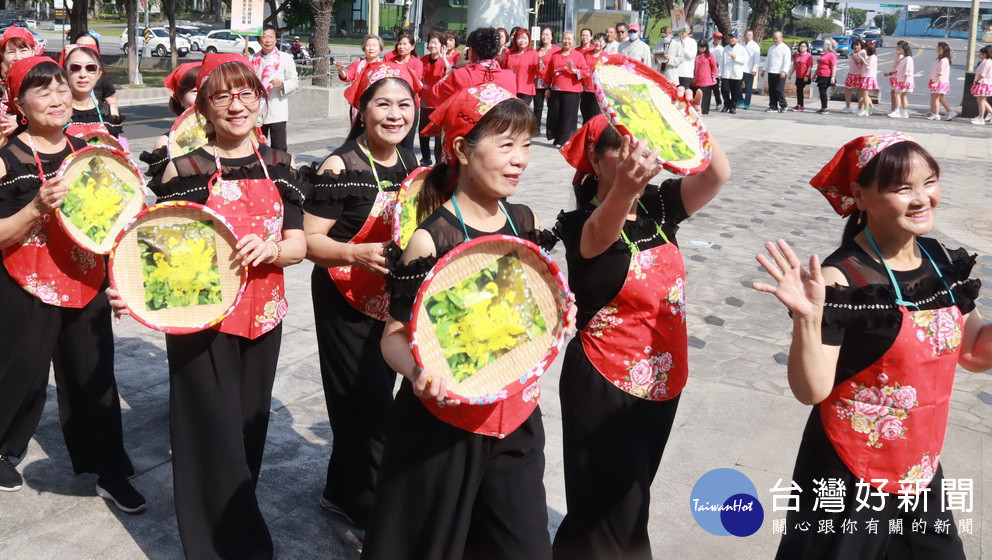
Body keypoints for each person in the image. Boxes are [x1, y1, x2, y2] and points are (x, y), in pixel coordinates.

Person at [754, 134, 991, 559]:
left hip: (919, 468)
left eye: (929, 182)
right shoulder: (840, 278)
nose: (921, 199)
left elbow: (973, 351)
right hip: (849, 473)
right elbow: (811, 390)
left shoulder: (940, 260)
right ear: (860, 196)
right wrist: (807, 320)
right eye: (902, 188)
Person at [363, 85, 553, 559]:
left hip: (516, 418)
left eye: (526, 145)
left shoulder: (523, 220)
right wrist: (417, 372)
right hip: (442, 428)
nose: (520, 159)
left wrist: (551, 319)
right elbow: (393, 337)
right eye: (505, 145)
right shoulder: (431, 240)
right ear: (463, 150)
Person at [552, 100, 730, 560]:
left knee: (617, 499)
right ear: (595, 161)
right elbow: (601, 234)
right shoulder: (580, 223)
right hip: (604, 380)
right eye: (622, 146)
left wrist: (687, 121)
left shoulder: (659, 206)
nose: (636, 153)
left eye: (643, 143)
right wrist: (625, 189)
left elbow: (717, 175)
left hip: (663, 380)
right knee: (620, 512)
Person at [147, 53, 306, 559]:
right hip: (202, 320)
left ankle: (234, 518)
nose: (236, 106)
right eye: (222, 96)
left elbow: (299, 244)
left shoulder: (280, 164)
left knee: (247, 428)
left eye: (245, 94)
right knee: (207, 431)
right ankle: (217, 544)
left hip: (264, 316)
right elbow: (156, 247)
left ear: (261, 100)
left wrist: (272, 248)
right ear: (203, 109)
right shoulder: (183, 170)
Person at [0, 56, 141, 511]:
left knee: (93, 377)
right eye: (42, 91)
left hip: (85, 278)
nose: (57, 98)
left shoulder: (88, 154)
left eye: (62, 88)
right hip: (27, 281)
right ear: (20, 104)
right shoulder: (6, 160)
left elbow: (114, 223)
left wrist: (121, 280)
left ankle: (108, 469)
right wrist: (35, 209)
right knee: (20, 373)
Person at [303, 64, 419, 529]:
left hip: (390, 300)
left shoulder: (410, 162)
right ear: (362, 110)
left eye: (404, 105)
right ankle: (371, 509)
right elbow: (310, 241)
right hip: (344, 297)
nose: (395, 115)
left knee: (372, 399)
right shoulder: (339, 166)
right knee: (365, 404)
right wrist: (354, 252)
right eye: (383, 104)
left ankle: (341, 491)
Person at [0, 27, 44, 140]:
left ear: (33, 51)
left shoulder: (44, 85)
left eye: (23, 50)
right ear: (2, 55)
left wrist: (21, 122)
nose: (18, 57)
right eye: (11, 52)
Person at [426, 27, 515, 105]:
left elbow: (433, 95)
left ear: (471, 50)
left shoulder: (460, 75)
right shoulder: (510, 77)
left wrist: (455, 67)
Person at [63, 44, 126, 150]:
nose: (83, 74)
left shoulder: (109, 113)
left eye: (91, 68)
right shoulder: (57, 112)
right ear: (65, 72)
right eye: (75, 67)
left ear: (99, 74)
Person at [251, 26, 299, 151]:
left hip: (277, 109)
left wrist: (282, 84)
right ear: (259, 40)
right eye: (264, 37)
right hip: (257, 110)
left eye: (271, 37)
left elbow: (294, 81)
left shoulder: (285, 58)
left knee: (279, 148)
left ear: (275, 39)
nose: (268, 40)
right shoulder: (253, 59)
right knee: (258, 147)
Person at [545, 31, 588, 145]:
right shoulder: (555, 55)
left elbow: (585, 72)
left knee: (568, 117)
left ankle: (565, 140)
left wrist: (574, 71)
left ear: (573, 41)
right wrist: (547, 88)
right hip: (556, 89)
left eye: (569, 39)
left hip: (572, 91)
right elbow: (549, 72)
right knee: (555, 114)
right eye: (565, 38)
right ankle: (557, 137)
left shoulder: (578, 56)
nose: (567, 41)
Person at [417, 31, 451, 165]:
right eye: (430, 42)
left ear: (442, 45)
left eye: (435, 43)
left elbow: (451, 72)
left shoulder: (446, 61)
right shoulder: (423, 60)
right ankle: (426, 158)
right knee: (423, 131)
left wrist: (444, 58)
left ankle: (438, 161)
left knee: (438, 136)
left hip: (440, 104)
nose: (432, 45)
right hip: (425, 102)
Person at [72, 33, 119, 108]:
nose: (82, 75)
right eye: (80, 47)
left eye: (90, 48)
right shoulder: (61, 78)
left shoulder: (103, 80)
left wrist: (113, 112)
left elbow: (112, 103)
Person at [503, 27, 539, 110]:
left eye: (524, 38)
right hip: (511, 89)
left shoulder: (533, 54)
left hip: (525, 90)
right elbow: (505, 71)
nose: (522, 41)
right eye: (519, 38)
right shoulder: (509, 54)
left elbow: (538, 72)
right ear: (515, 40)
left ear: (529, 39)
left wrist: (540, 63)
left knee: (521, 113)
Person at [534, 27, 559, 139]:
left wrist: (549, 86)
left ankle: (552, 131)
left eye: (547, 34)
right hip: (538, 82)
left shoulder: (556, 50)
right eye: (543, 34)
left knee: (552, 108)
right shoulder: (537, 51)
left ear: (552, 37)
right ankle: (536, 129)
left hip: (551, 82)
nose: (545, 37)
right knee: (538, 107)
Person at [884, 40, 914, 119]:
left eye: (901, 48)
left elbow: (907, 71)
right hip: (900, 79)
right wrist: (889, 74)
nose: (899, 50)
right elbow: (897, 69)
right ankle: (905, 112)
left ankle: (897, 111)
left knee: (897, 95)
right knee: (903, 96)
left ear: (905, 49)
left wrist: (905, 81)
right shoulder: (903, 58)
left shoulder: (908, 58)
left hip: (904, 80)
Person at [577, 28, 602, 123]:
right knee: (583, 110)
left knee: (593, 113)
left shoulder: (594, 50)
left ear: (591, 37)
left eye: (587, 35)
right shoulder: (576, 50)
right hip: (579, 85)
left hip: (592, 86)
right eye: (583, 35)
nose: (584, 37)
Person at [928, 42, 956, 121]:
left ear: (944, 50)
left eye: (940, 49)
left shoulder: (943, 60)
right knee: (939, 98)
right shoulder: (940, 59)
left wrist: (937, 82)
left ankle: (936, 114)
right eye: (938, 48)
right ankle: (949, 112)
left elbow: (941, 72)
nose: (938, 50)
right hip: (936, 80)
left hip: (940, 81)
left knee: (936, 98)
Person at [720, 33, 747, 114]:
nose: (731, 39)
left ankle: (733, 106)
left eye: (733, 38)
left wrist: (736, 58)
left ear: (737, 39)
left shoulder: (741, 49)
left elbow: (745, 60)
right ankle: (726, 104)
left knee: (735, 92)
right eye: (730, 38)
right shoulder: (726, 48)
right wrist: (720, 72)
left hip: (736, 73)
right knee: (724, 89)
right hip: (726, 73)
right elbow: (722, 61)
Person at [765, 30, 792, 112]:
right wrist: (764, 69)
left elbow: (787, 61)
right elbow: (768, 59)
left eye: (777, 38)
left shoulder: (785, 48)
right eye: (774, 38)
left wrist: (784, 71)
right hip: (772, 71)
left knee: (779, 89)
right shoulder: (771, 48)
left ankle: (784, 105)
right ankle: (773, 106)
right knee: (772, 90)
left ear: (781, 38)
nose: (775, 40)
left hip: (780, 72)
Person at [692, 41, 718, 115]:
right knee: (695, 95)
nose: (702, 49)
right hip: (695, 78)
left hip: (705, 79)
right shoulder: (695, 55)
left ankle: (703, 111)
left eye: (704, 47)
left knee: (704, 96)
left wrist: (714, 76)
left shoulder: (710, 55)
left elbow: (714, 66)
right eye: (700, 47)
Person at [841, 37, 865, 114]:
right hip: (852, 74)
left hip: (859, 74)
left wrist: (854, 56)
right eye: (854, 45)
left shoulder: (862, 52)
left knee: (860, 91)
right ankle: (848, 106)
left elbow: (860, 64)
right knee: (847, 89)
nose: (856, 47)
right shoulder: (854, 53)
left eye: (857, 45)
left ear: (861, 45)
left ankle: (859, 108)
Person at [815, 39, 838, 114]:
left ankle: (825, 107)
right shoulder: (824, 54)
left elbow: (834, 66)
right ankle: (823, 107)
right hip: (821, 75)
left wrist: (833, 77)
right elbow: (819, 66)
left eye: (824, 45)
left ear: (828, 46)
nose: (822, 46)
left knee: (823, 90)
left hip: (827, 75)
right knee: (821, 91)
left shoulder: (831, 55)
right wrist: (814, 74)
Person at [971, 44, 992, 125]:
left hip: (984, 83)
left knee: (981, 101)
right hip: (984, 83)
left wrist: (976, 81)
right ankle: (981, 116)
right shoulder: (985, 61)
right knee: (980, 100)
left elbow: (982, 74)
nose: (979, 55)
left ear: (984, 54)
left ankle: (981, 118)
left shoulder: (987, 62)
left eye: (980, 53)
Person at [742, 28, 762, 110]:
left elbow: (756, 59)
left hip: (749, 70)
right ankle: (740, 99)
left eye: (749, 35)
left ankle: (747, 103)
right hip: (740, 69)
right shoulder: (741, 44)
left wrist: (754, 69)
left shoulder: (755, 45)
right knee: (736, 86)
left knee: (748, 88)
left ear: (753, 36)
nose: (747, 36)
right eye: (746, 34)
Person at [792, 41, 814, 111]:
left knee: (800, 89)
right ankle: (800, 105)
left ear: (807, 48)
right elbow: (794, 65)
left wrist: (807, 75)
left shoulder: (809, 56)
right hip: (798, 76)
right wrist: (790, 73)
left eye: (804, 46)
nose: (802, 48)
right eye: (801, 46)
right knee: (799, 90)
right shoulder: (797, 55)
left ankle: (800, 104)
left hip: (805, 76)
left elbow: (810, 66)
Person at [675, 25, 696, 91]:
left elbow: (692, 56)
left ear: (689, 31)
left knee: (683, 92)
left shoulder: (692, 42)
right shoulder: (674, 40)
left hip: (686, 73)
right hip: (675, 72)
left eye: (685, 29)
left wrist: (683, 48)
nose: (683, 31)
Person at [709, 32, 726, 110]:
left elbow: (722, 62)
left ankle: (718, 102)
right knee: (707, 89)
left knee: (715, 88)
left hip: (716, 72)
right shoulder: (708, 47)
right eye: (717, 38)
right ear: (713, 38)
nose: (719, 40)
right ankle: (706, 103)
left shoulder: (722, 49)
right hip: (707, 71)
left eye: (720, 38)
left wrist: (720, 73)